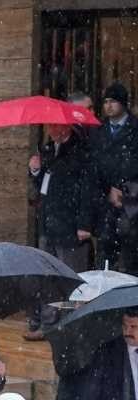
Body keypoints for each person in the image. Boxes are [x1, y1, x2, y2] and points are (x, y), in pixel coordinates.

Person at [28, 122, 95, 336]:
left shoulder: (81, 152)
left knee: (70, 276)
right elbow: (42, 186)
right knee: (47, 276)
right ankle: (48, 323)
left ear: (65, 128)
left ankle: (70, 325)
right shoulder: (48, 150)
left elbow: (88, 190)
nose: (49, 131)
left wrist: (85, 224)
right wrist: (35, 169)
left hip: (70, 224)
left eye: (53, 127)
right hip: (49, 223)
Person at [91, 82, 138, 274]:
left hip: (131, 204)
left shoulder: (135, 129)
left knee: (130, 259)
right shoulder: (99, 131)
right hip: (106, 204)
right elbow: (93, 167)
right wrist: (107, 189)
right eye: (106, 101)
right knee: (105, 258)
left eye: (113, 101)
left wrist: (126, 189)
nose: (108, 106)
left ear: (123, 103)